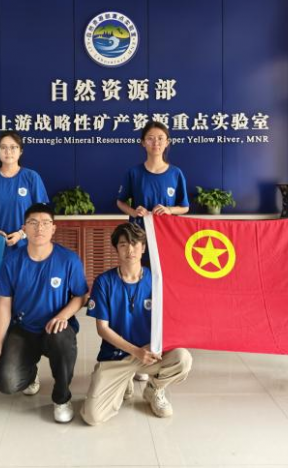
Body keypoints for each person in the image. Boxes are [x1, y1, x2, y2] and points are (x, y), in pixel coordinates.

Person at [81, 223, 192, 425]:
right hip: (116, 356)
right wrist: (135, 351)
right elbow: (102, 329)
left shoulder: (157, 280)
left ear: (143, 248)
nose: (130, 250)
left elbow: (172, 320)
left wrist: (154, 346)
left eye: (135, 244)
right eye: (123, 244)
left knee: (182, 358)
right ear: (116, 249)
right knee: (92, 417)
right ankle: (123, 380)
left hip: (151, 353)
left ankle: (154, 389)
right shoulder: (104, 282)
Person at [0, 203, 88, 423]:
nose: (39, 228)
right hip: (24, 329)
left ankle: (62, 398)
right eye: (33, 223)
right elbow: (3, 304)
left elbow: (80, 296)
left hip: (56, 327)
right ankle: (30, 375)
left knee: (62, 340)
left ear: (53, 228)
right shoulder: (11, 261)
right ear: (24, 228)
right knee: (7, 382)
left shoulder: (68, 259)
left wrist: (63, 316)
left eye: (45, 223)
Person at [116, 120, 189, 384]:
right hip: (139, 243)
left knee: (162, 294)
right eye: (150, 138)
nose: (155, 142)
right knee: (140, 291)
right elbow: (120, 201)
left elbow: (185, 207)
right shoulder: (134, 173)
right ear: (142, 143)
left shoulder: (176, 173)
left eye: (160, 138)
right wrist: (133, 211)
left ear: (167, 143)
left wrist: (169, 210)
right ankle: (139, 353)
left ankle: (161, 349)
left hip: (167, 244)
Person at [0, 131, 48, 247]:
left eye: (13, 147)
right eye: (3, 147)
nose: (8, 151)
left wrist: (21, 234)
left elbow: (42, 214)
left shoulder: (32, 177)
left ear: (20, 151)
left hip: (27, 245)